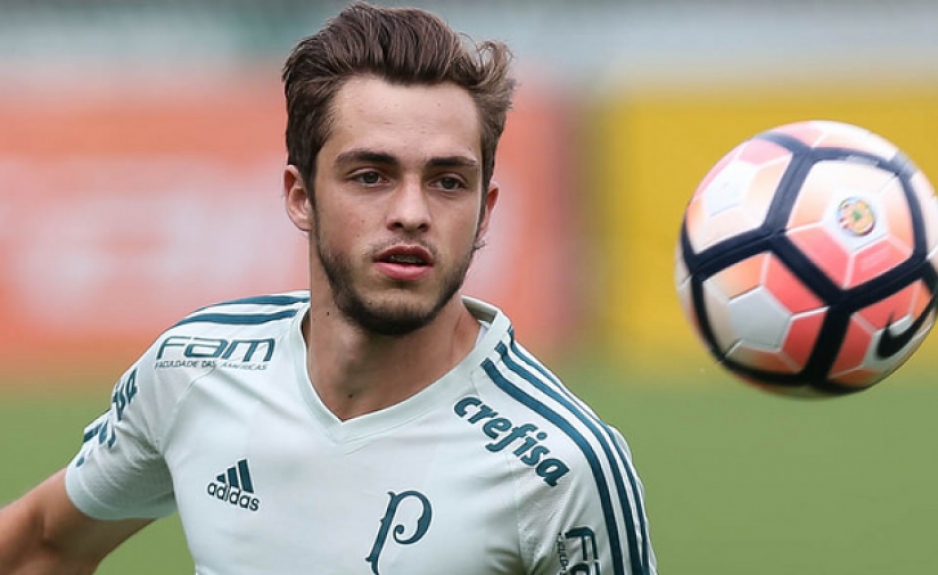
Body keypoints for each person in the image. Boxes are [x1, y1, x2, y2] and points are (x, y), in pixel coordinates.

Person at [0, 2, 656, 573]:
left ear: (485, 212)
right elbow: (43, 544)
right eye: (370, 175)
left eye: (447, 181)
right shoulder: (194, 368)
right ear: (299, 195)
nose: (412, 211)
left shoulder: (561, 462)